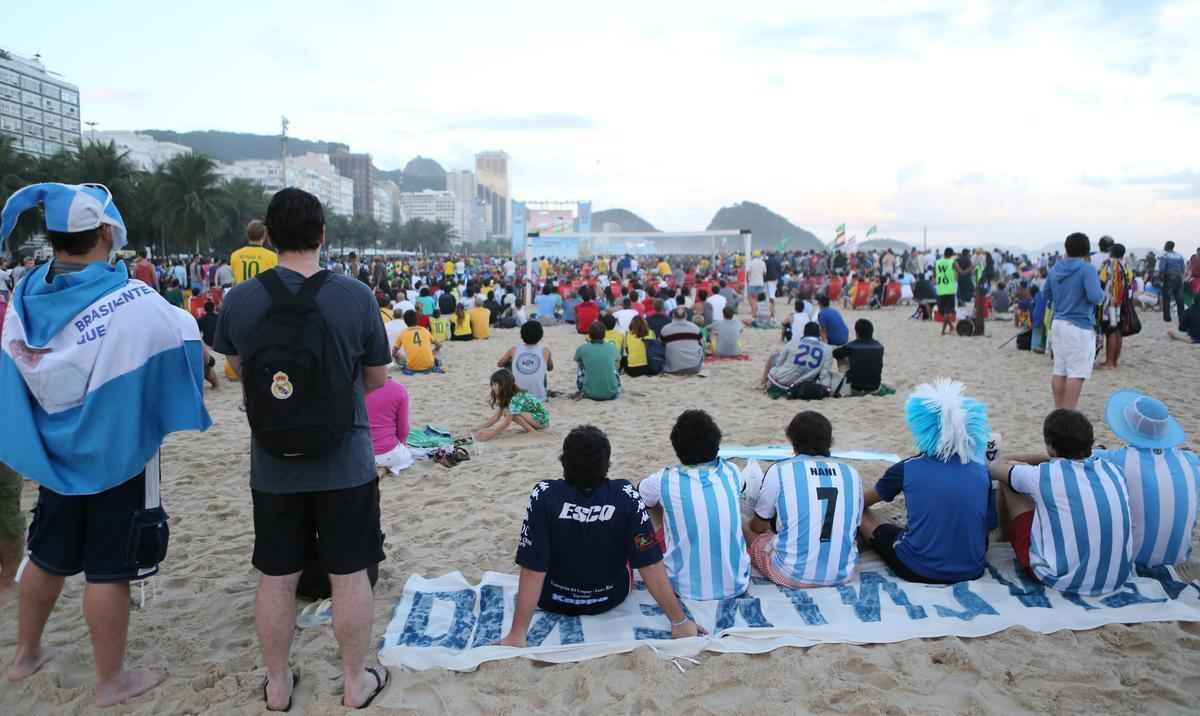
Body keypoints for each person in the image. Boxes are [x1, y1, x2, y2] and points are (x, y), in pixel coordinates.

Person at [0, 182, 211, 706]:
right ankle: (110, 681)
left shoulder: (27, 293)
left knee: (46, 555)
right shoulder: (130, 298)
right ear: (103, 233)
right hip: (116, 454)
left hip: (53, 453)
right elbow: (183, 340)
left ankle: (25, 654)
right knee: (108, 569)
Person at [213, 188, 391, 710]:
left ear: (267, 237)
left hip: (272, 463)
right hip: (346, 458)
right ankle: (356, 682)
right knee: (349, 572)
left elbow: (238, 370)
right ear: (322, 235)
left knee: (276, 575)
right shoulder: (355, 296)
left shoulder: (240, 299)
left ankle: (276, 685)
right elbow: (376, 379)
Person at [499, 426, 702, 646]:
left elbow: (533, 569)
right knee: (641, 541)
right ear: (607, 464)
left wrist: (518, 633)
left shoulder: (543, 494)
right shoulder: (626, 495)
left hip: (552, 597)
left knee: (543, 545)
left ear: (563, 461)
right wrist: (679, 621)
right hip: (610, 597)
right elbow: (649, 564)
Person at [860, 380, 995, 584]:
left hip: (918, 568)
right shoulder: (980, 470)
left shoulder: (908, 468)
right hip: (971, 568)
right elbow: (990, 524)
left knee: (863, 514)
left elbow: (862, 501)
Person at [989, 409, 1133, 596]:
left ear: (1051, 447)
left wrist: (1047, 458)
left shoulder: (1045, 475)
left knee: (1010, 482)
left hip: (1061, 579)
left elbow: (995, 467)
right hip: (1117, 576)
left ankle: (1007, 539)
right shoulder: (1114, 470)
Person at [638, 410, 750, 600]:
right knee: (740, 516)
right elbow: (743, 489)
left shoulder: (664, 479)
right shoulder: (732, 471)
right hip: (737, 584)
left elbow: (640, 493)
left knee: (655, 506)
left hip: (683, 588)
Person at [747, 411, 863, 588]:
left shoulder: (780, 470)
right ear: (830, 441)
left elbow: (758, 526)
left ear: (791, 439)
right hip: (843, 573)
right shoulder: (851, 473)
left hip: (790, 574)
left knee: (745, 526)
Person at [1092, 391, 1200, 568]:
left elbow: (1076, 459)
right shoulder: (1192, 461)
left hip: (1132, 560)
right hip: (1178, 558)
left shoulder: (1113, 459)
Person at [1043, 232, 1104, 410]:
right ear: (1086, 251)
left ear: (1066, 248)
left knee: (1059, 370)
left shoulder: (1055, 269)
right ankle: (1068, 413)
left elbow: (1045, 294)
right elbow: (1095, 297)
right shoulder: (1087, 269)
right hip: (1079, 326)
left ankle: (1059, 410)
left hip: (1058, 323)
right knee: (1076, 373)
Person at [761, 322, 835, 398]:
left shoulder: (793, 342)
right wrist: (826, 388)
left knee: (774, 355)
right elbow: (824, 374)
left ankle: (763, 382)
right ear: (818, 334)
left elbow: (779, 363)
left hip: (780, 381)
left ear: (804, 332)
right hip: (801, 385)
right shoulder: (827, 349)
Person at [475, 369, 549, 441]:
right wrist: (479, 428)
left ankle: (533, 432)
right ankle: (532, 430)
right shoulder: (506, 397)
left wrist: (490, 435)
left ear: (503, 384)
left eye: (495, 384)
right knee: (509, 412)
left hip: (541, 419)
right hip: (532, 418)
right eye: (492, 384)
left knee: (512, 414)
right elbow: (496, 417)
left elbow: (507, 422)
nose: (492, 387)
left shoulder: (516, 397)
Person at [366, 377, 412, 475]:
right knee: (406, 457)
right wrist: (402, 443)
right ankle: (385, 469)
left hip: (356, 454)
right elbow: (403, 429)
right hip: (387, 453)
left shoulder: (351, 386)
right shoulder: (399, 389)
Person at [498, 320, 553, 400]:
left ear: (521, 336)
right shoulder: (545, 351)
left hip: (517, 398)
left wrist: (511, 361)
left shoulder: (514, 350)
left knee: (508, 364)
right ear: (541, 336)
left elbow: (500, 364)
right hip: (540, 398)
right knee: (542, 366)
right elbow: (550, 368)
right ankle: (540, 389)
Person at [1097, 243, 1133, 369]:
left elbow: (1101, 281)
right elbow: (1130, 280)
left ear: (1111, 252)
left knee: (1110, 330)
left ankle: (1109, 362)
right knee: (1118, 330)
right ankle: (1114, 361)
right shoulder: (1126, 264)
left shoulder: (1108, 263)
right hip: (1122, 302)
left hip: (1109, 302)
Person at [832, 319, 884, 396]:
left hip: (856, 388)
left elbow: (835, 353)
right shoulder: (879, 346)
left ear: (857, 332)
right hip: (875, 387)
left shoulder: (851, 346)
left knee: (841, 356)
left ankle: (844, 375)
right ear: (872, 332)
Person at [575, 321, 621, 400]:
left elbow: (576, 360)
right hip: (612, 393)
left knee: (581, 363)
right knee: (614, 365)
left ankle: (585, 386)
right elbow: (617, 364)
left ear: (589, 334)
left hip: (589, 393)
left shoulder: (582, 348)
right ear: (604, 334)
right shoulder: (612, 347)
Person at [231, 219, 278, 285]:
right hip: (262, 294)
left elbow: (234, 279)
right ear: (264, 235)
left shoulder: (235, 255)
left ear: (247, 234)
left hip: (241, 294)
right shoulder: (272, 256)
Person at [660, 307, 704, 374]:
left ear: (673, 316)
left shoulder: (665, 329)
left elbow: (661, 346)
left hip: (673, 368)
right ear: (686, 316)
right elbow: (702, 345)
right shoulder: (695, 328)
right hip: (694, 367)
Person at [1158, 240, 1187, 325]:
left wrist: (1161, 280)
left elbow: (1162, 269)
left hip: (1169, 278)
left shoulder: (1165, 256)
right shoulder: (1180, 256)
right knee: (1180, 299)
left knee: (1167, 298)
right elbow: (1182, 269)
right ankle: (1181, 316)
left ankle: (1167, 318)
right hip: (1178, 278)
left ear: (1166, 246)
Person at [934, 248, 958, 334]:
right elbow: (961, 272)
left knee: (942, 311)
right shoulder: (953, 262)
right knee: (946, 312)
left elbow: (935, 275)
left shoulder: (937, 262)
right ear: (951, 255)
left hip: (940, 289)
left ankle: (946, 330)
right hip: (950, 290)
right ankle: (948, 328)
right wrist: (972, 267)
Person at [747, 249, 767, 318]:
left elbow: (748, 272)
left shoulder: (750, 262)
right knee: (759, 298)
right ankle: (757, 310)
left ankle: (753, 310)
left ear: (753, 255)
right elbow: (764, 273)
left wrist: (748, 280)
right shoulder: (763, 262)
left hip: (752, 283)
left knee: (751, 297)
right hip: (760, 282)